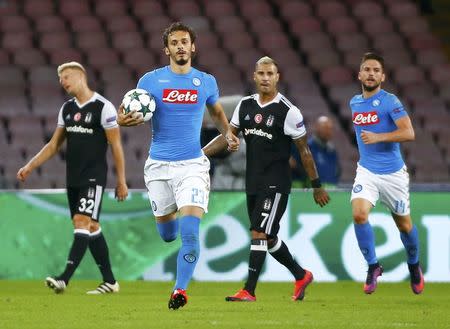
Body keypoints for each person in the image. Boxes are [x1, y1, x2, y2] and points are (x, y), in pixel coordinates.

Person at [117, 22, 239, 310]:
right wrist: (122, 120)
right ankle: (171, 212)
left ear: (193, 47)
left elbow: (217, 110)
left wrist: (228, 133)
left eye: (185, 41)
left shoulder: (206, 81)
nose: (180, 46)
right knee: (168, 235)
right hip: (158, 166)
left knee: (189, 232)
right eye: (175, 42)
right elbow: (128, 111)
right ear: (167, 49)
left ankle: (179, 290)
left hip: (193, 167)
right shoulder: (149, 81)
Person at [203, 56, 330, 302]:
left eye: (270, 74)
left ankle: (248, 290)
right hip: (253, 182)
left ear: (277, 77)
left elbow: (304, 151)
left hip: (277, 183)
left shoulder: (289, 112)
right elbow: (228, 136)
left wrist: (316, 186)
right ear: (254, 76)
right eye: (261, 73)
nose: (265, 78)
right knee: (268, 237)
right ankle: (301, 275)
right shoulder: (246, 106)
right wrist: (201, 154)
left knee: (259, 232)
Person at [17, 61, 128, 294]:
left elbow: (116, 145)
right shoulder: (67, 109)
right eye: (60, 78)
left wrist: (121, 181)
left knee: (81, 222)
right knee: (91, 226)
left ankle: (64, 279)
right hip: (73, 178)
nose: (62, 82)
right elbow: (53, 144)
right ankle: (110, 281)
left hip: (94, 177)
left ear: (80, 76)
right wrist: (30, 165)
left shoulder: (103, 107)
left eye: (66, 76)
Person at [349, 52, 424, 294]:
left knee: (404, 225)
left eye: (375, 70)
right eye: (367, 69)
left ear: (383, 76)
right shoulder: (354, 102)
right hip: (367, 171)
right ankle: (373, 267)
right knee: (359, 215)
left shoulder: (390, 101)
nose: (371, 73)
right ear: (359, 74)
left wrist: (379, 136)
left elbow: (409, 133)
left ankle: (413, 265)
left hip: (393, 175)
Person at [290, 116, 341, 187]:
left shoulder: (332, 150)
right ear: (316, 128)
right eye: (325, 128)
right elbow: (298, 169)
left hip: (333, 191)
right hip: (313, 192)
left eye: (330, 129)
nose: (328, 131)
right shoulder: (306, 147)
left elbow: (337, 171)